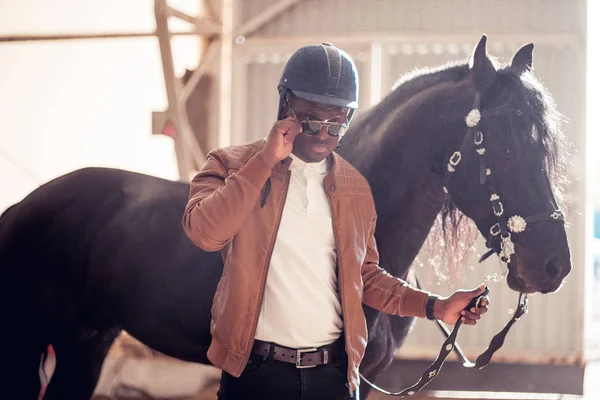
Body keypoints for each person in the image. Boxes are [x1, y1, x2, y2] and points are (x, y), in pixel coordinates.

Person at [182, 43, 489, 400]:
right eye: (311, 121)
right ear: (285, 105)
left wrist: (435, 306)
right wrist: (265, 160)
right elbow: (204, 232)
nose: (325, 135)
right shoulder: (231, 165)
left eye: (338, 122)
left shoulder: (354, 188)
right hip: (256, 375)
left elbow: (365, 276)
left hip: (333, 377)